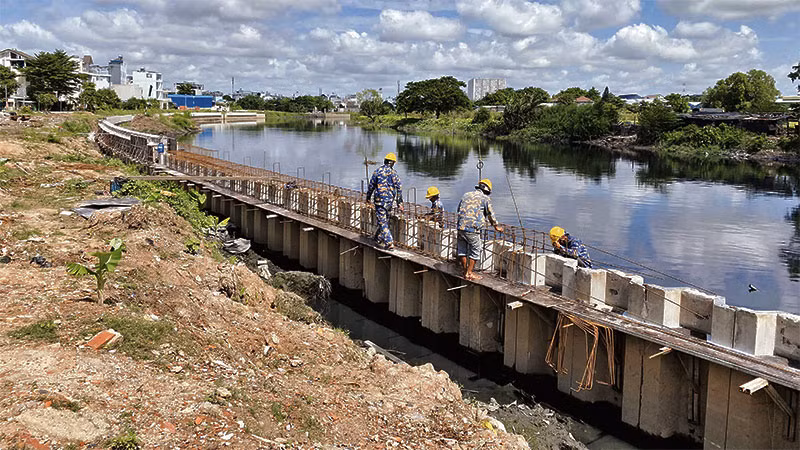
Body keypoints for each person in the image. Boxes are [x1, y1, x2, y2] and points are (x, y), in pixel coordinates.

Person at [456, 179, 503, 280]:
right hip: (472, 229)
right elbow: (491, 214)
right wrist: (496, 226)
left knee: (462, 250)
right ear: (487, 190)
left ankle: (464, 271)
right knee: (476, 249)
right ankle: (469, 273)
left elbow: (459, 209)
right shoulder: (485, 199)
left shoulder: (466, 195)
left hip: (460, 226)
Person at [365, 152, 404, 249]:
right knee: (384, 220)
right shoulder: (394, 174)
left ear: (385, 161)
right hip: (389, 201)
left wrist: (368, 198)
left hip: (379, 201)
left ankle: (389, 242)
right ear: (393, 163)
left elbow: (371, 186)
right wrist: (400, 203)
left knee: (382, 222)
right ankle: (377, 238)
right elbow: (399, 188)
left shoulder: (377, 171)